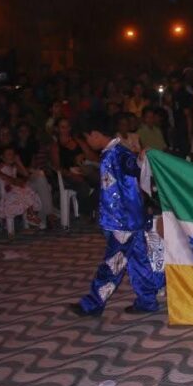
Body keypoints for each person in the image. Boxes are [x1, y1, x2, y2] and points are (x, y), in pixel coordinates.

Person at [70, 121, 165, 316]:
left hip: (123, 221)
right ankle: (147, 300)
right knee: (139, 261)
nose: (88, 143)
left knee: (113, 262)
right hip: (129, 218)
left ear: (95, 133)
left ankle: (92, 304)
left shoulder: (119, 153)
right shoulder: (112, 152)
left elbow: (133, 167)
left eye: (87, 138)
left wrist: (140, 158)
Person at [0, 146, 43, 227]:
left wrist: (19, 162)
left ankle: (30, 214)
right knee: (23, 190)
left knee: (26, 189)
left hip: (15, 191)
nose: (11, 156)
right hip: (6, 194)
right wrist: (9, 179)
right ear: (2, 157)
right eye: (9, 154)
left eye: (13, 154)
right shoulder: (1, 165)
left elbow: (26, 174)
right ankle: (31, 215)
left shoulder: (14, 167)